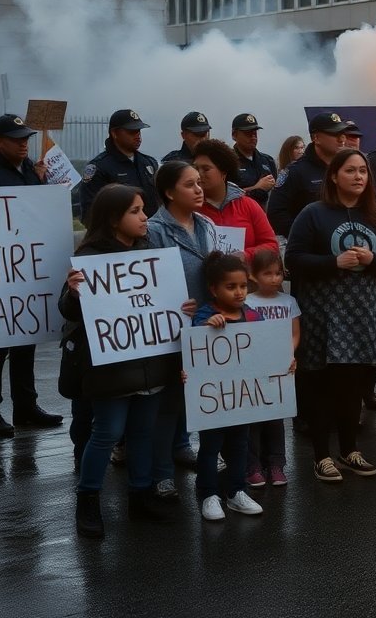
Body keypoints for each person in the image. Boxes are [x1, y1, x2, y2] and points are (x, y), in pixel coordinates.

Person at [63, 185, 183, 539]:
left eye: (144, 209)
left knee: (142, 432)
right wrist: (72, 293)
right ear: (114, 219)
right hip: (112, 370)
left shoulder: (151, 253)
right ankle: (88, 501)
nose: (145, 217)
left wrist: (181, 308)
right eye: (136, 211)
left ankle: (140, 496)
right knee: (107, 433)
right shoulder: (90, 258)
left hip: (150, 365)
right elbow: (68, 311)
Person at [284, 148, 376, 482]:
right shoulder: (313, 213)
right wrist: (333, 263)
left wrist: (371, 260)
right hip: (323, 314)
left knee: (354, 385)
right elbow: (294, 259)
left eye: (363, 171)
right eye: (350, 171)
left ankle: (350, 450)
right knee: (320, 385)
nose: (359, 177)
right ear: (334, 176)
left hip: (362, 314)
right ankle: (321, 456)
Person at [0, 114, 63, 437]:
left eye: (26, 138)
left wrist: (40, 182)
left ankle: (25, 405)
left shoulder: (27, 171)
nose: (24, 143)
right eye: (16, 138)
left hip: (25, 271)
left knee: (26, 340)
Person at [144, 161, 219, 499]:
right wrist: (171, 302)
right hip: (168, 328)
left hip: (204, 325)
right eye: (190, 185)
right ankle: (160, 472)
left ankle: (182, 447)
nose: (200, 189)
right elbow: (145, 281)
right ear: (170, 192)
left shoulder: (205, 224)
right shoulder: (155, 230)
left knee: (190, 396)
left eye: (200, 182)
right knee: (167, 400)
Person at [192, 252, 268, 520]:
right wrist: (205, 326)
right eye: (231, 286)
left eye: (243, 286)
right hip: (213, 399)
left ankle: (236, 491)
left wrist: (283, 366)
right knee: (211, 447)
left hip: (242, 398)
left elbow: (266, 353)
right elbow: (195, 347)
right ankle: (208, 494)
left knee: (240, 445)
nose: (239, 292)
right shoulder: (206, 314)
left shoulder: (253, 316)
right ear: (213, 289)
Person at [243, 249, 300, 487]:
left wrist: (288, 354)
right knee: (253, 419)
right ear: (253, 276)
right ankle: (253, 465)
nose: (275, 278)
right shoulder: (247, 301)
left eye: (278, 273)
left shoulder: (289, 301)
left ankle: (276, 464)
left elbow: (295, 333)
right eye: (268, 273)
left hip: (280, 369)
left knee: (276, 419)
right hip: (253, 368)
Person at [193, 139, 279, 265]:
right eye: (196, 168)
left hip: (245, 280)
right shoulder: (190, 208)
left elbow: (271, 245)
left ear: (223, 172)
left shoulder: (248, 205)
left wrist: (245, 256)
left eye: (206, 169)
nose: (199, 174)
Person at [267, 111, 346, 237]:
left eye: (343, 133)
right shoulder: (295, 171)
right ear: (316, 138)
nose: (342, 139)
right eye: (334, 134)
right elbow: (276, 213)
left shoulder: (347, 168)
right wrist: (306, 236)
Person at [80, 109, 159, 225]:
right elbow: (90, 213)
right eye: (131, 132)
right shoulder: (99, 167)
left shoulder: (149, 163)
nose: (138, 136)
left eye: (139, 131)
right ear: (115, 133)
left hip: (153, 234)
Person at [230, 112, 278, 208]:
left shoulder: (267, 160)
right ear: (234, 135)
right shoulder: (227, 162)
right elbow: (225, 197)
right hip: (240, 214)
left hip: (264, 214)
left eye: (254, 133)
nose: (253, 137)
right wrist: (256, 188)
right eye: (248, 133)